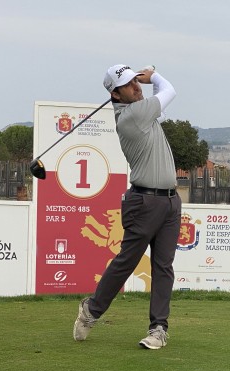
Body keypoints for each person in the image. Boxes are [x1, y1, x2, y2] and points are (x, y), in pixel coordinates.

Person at [73, 64, 181, 349]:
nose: (137, 87)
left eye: (137, 81)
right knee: (127, 263)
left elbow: (160, 97)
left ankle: (158, 329)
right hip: (144, 201)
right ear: (116, 95)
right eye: (129, 84)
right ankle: (91, 311)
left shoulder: (140, 110)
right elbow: (169, 90)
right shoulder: (131, 116)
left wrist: (145, 79)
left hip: (170, 201)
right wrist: (153, 75)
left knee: (163, 267)